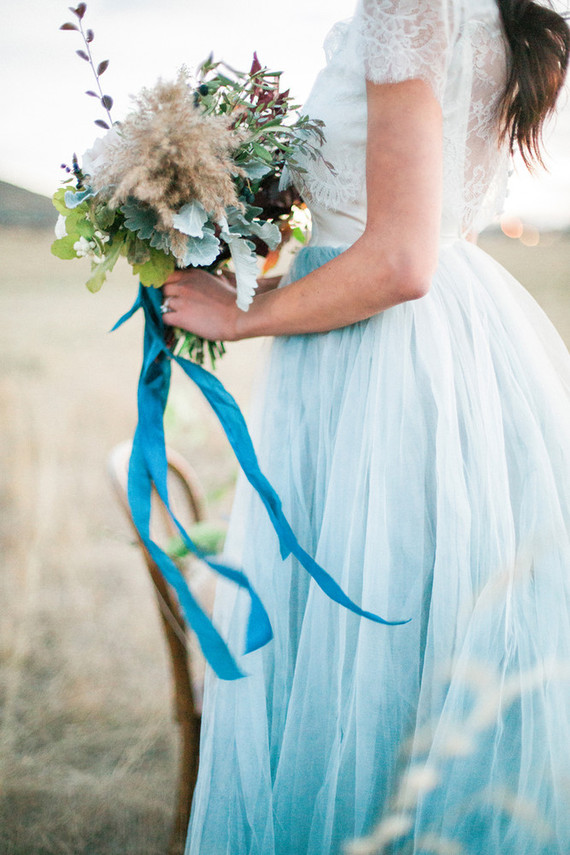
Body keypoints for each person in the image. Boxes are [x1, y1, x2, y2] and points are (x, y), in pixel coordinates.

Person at [162, 0, 570, 852]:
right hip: (440, 348)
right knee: (414, 656)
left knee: (376, 654)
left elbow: (397, 261)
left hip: (384, 367)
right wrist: (252, 269)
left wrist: (240, 318)